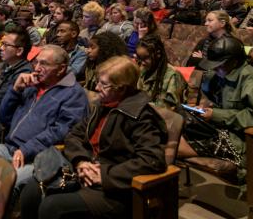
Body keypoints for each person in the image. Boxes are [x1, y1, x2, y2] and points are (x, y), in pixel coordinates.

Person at [20, 56, 168, 219]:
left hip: (114, 188)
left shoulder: (141, 116)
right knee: (32, 191)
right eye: (98, 81)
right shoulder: (102, 105)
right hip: (83, 171)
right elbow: (74, 135)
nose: (96, 88)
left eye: (103, 84)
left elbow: (152, 160)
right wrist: (81, 161)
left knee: (53, 208)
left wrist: (103, 174)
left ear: (122, 89)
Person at [0, 45, 88, 191]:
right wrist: (15, 90)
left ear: (61, 69)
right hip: (9, 148)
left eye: (44, 64)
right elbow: (4, 118)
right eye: (36, 62)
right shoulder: (31, 84)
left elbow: (61, 131)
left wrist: (26, 149)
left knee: (6, 184)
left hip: (37, 158)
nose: (37, 68)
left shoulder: (73, 94)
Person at [178, 37, 253, 181]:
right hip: (218, 128)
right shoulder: (223, 73)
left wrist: (216, 114)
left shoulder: (251, 81)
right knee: (175, 124)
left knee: (172, 147)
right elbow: (220, 101)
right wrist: (207, 109)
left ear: (234, 61)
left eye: (219, 65)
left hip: (237, 139)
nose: (215, 69)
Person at [136, 34, 186, 108]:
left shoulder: (172, 76)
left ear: (158, 54)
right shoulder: (143, 69)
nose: (142, 62)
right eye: (140, 58)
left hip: (161, 116)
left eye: (146, 58)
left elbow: (170, 108)